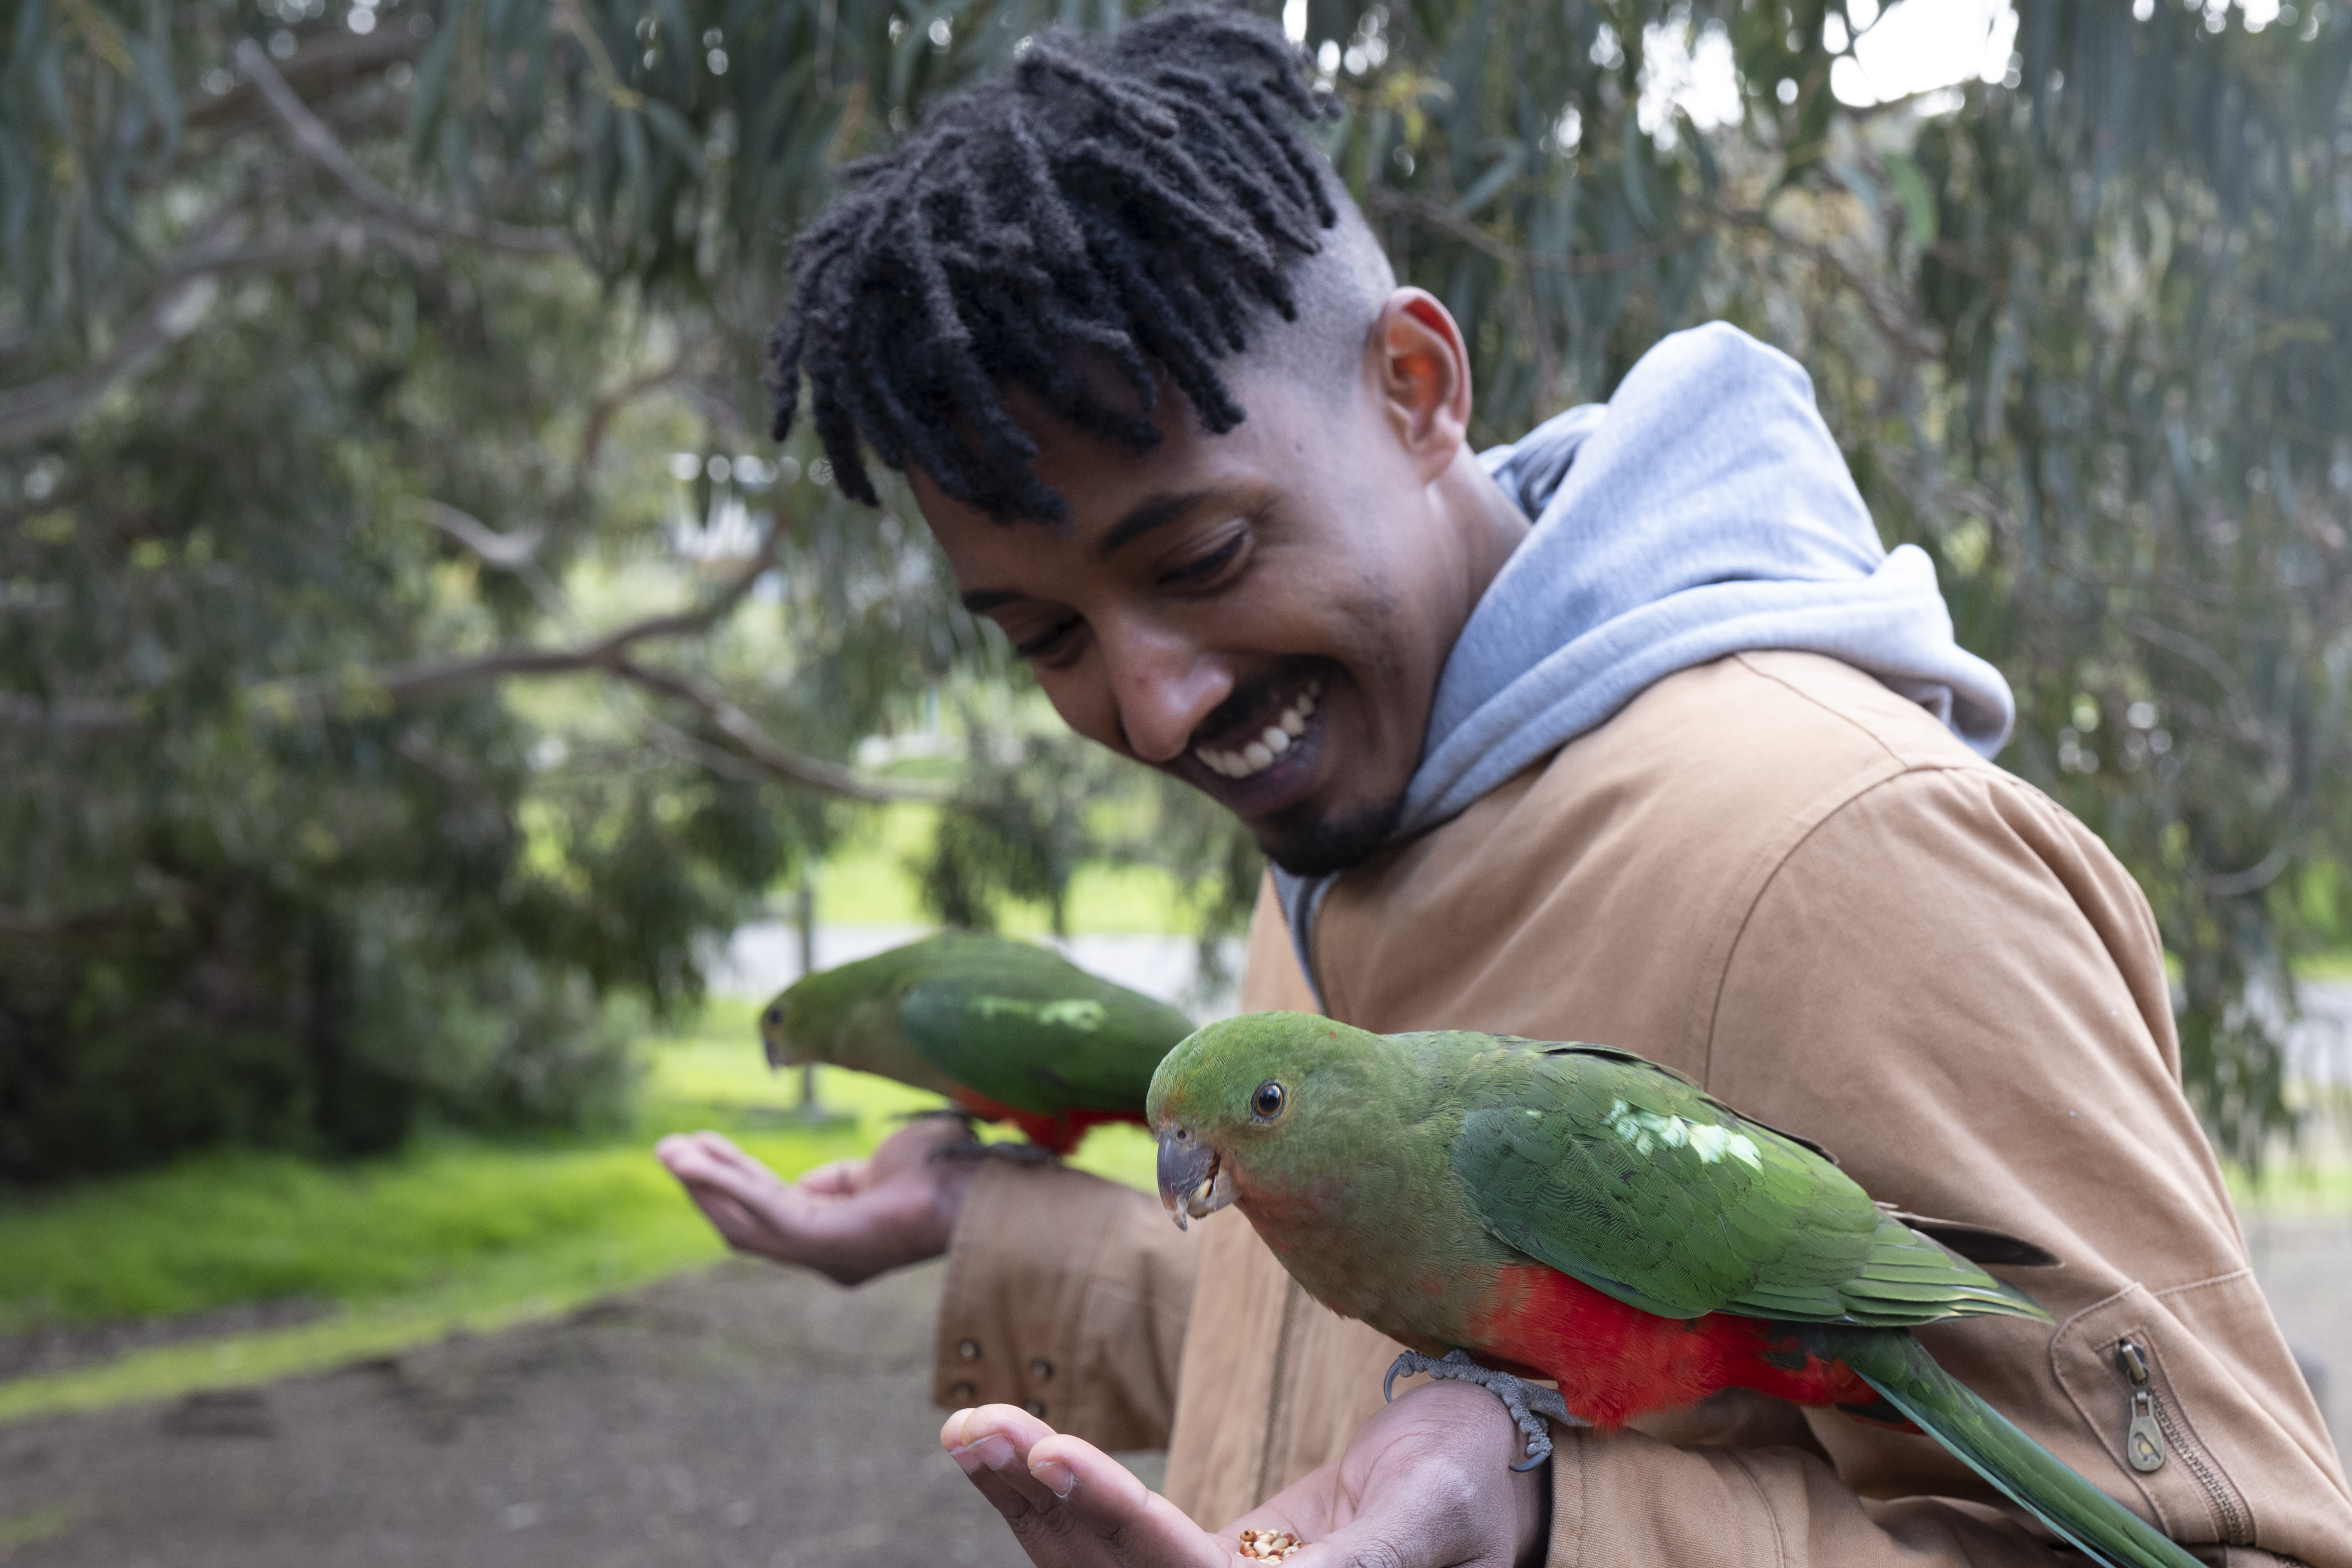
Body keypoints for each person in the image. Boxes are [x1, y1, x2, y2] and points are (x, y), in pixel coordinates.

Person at [657, 7, 2352, 1564]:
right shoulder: (1333, 839)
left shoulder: (1838, 849)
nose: (1156, 709)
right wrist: (994, 1218)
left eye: (1207, 552)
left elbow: (2225, 1532)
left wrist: (1554, 1525)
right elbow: (1368, 1360)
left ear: (1417, 387)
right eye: (1043, 636)